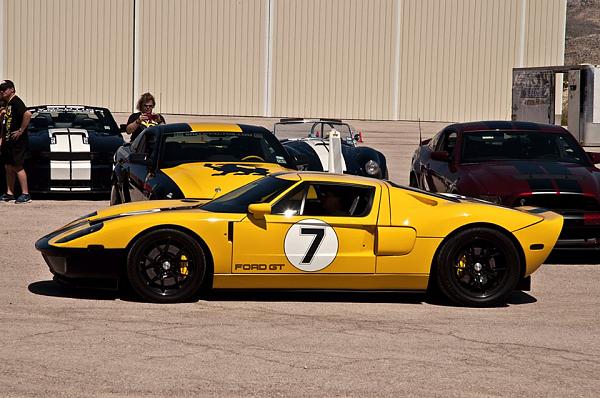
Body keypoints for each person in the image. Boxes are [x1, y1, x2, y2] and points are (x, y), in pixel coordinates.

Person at [0, 80, 32, 204]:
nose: (2, 91)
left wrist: (21, 130)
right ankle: (9, 193)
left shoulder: (16, 101)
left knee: (17, 166)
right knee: (8, 166)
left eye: (5, 89)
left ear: (12, 89)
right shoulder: (7, 104)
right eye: (1, 89)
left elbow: (28, 114)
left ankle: (25, 194)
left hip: (17, 142)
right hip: (8, 141)